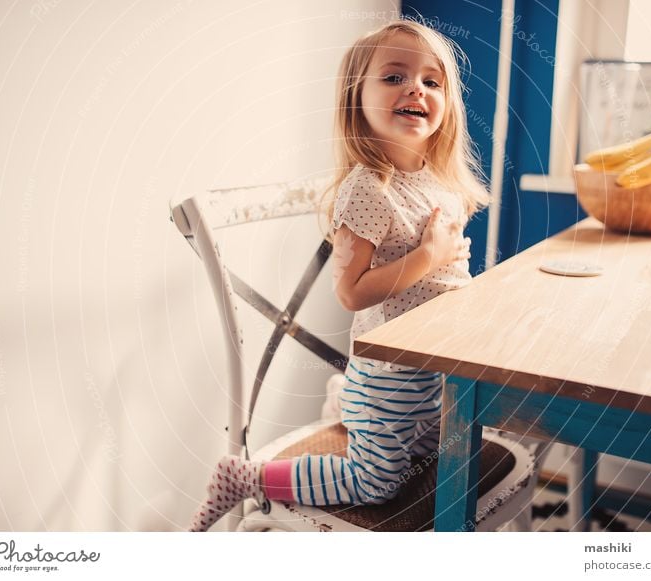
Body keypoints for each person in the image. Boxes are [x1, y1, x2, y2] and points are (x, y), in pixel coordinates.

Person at [189, 19, 489, 532]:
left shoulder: (439, 182)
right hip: (391, 369)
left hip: (431, 360)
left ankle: (347, 401)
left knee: (437, 445)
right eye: (394, 77)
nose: (416, 88)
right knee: (375, 483)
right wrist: (428, 258)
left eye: (431, 81)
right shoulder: (368, 190)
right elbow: (351, 291)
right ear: (357, 98)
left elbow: (447, 274)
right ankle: (246, 477)